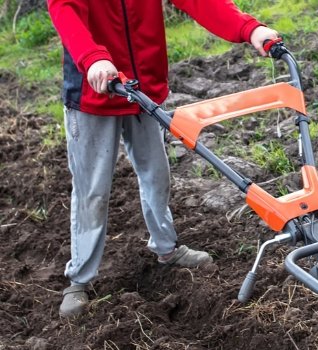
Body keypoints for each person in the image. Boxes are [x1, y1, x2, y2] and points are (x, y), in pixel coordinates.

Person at [47, 1, 279, 318]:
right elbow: (65, 11)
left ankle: (166, 249)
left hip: (142, 90)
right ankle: (79, 279)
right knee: (93, 190)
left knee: (157, 174)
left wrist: (248, 28)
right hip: (95, 93)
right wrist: (94, 58)